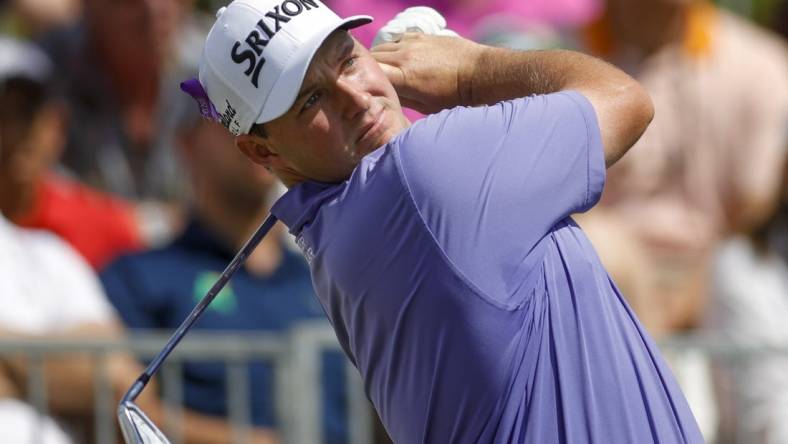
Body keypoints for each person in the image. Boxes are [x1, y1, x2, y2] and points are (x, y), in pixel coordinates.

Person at [184, 0, 703, 441]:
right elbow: (626, 101)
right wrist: (469, 69)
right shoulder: (422, 175)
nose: (355, 97)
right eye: (309, 100)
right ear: (261, 151)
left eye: (346, 60)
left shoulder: (338, 233)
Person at [100, 103, 349, 443]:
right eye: (233, 117)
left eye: (267, 114)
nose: (256, 130)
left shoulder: (329, 276)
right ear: (186, 142)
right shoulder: (137, 279)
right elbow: (127, 415)